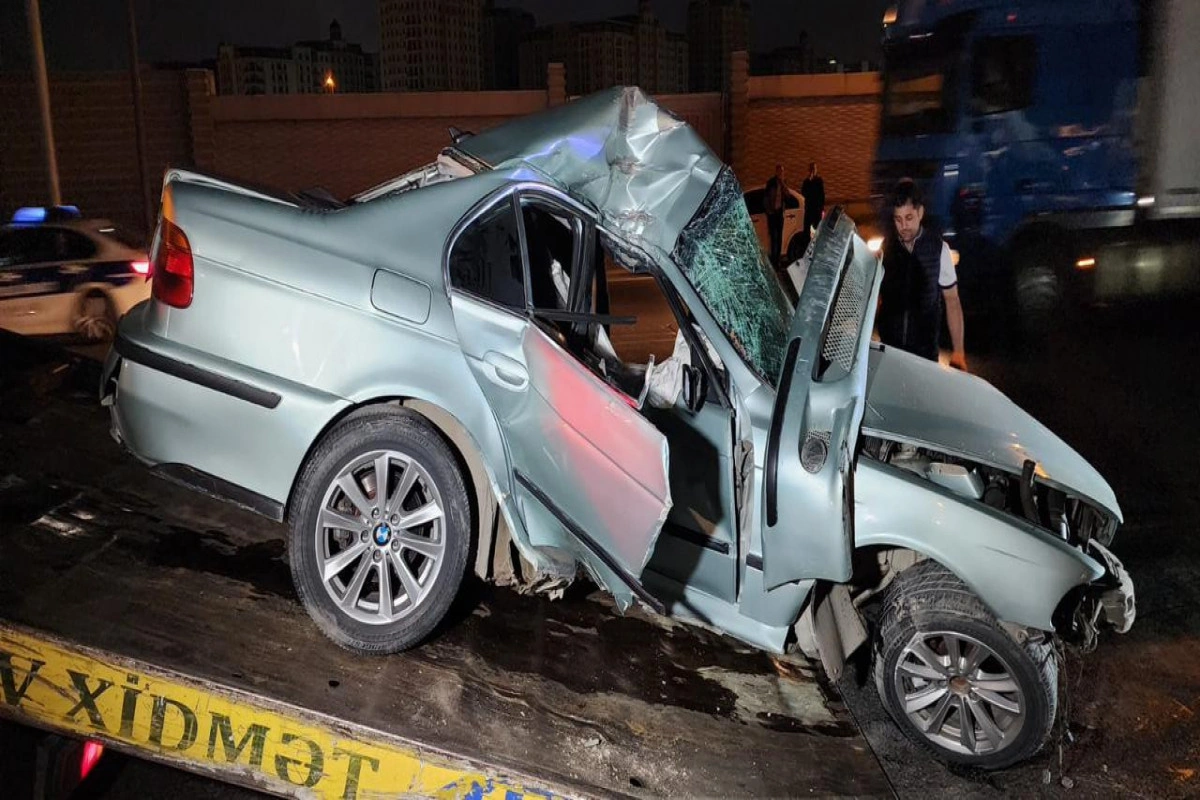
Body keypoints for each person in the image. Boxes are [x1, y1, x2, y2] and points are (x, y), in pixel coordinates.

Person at [877, 178, 968, 371]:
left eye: (909, 218)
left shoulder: (939, 250)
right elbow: (876, 298)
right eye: (898, 219)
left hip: (924, 358)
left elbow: (952, 300)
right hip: (889, 354)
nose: (903, 226)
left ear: (920, 212)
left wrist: (958, 352)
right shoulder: (887, 249)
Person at [763, 165, 794, 269]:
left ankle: (778, 261)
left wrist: (783, 184)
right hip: (772, 213)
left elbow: (788, 196)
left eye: (782, 172)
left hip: (780, 213)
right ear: (776, 172)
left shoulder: (784, 183)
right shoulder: (771, 182)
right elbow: (766, 198)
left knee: (779, 237)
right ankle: (773, 260)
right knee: (773, 237)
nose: (781, 173)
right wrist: (769, 211)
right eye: (779, 171)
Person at [800, 161, 825, 242]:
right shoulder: (806, 181)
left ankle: (817, 244)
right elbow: (803, 193)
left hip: (817, 209)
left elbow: (822, 195)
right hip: (809, 209)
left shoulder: (819, 181)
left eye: (814, 169)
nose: (813, 171)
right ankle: (807, 244)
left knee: (817, 229)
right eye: (811, 169)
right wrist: (809, 180)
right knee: (807, 230)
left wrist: (822, 208)